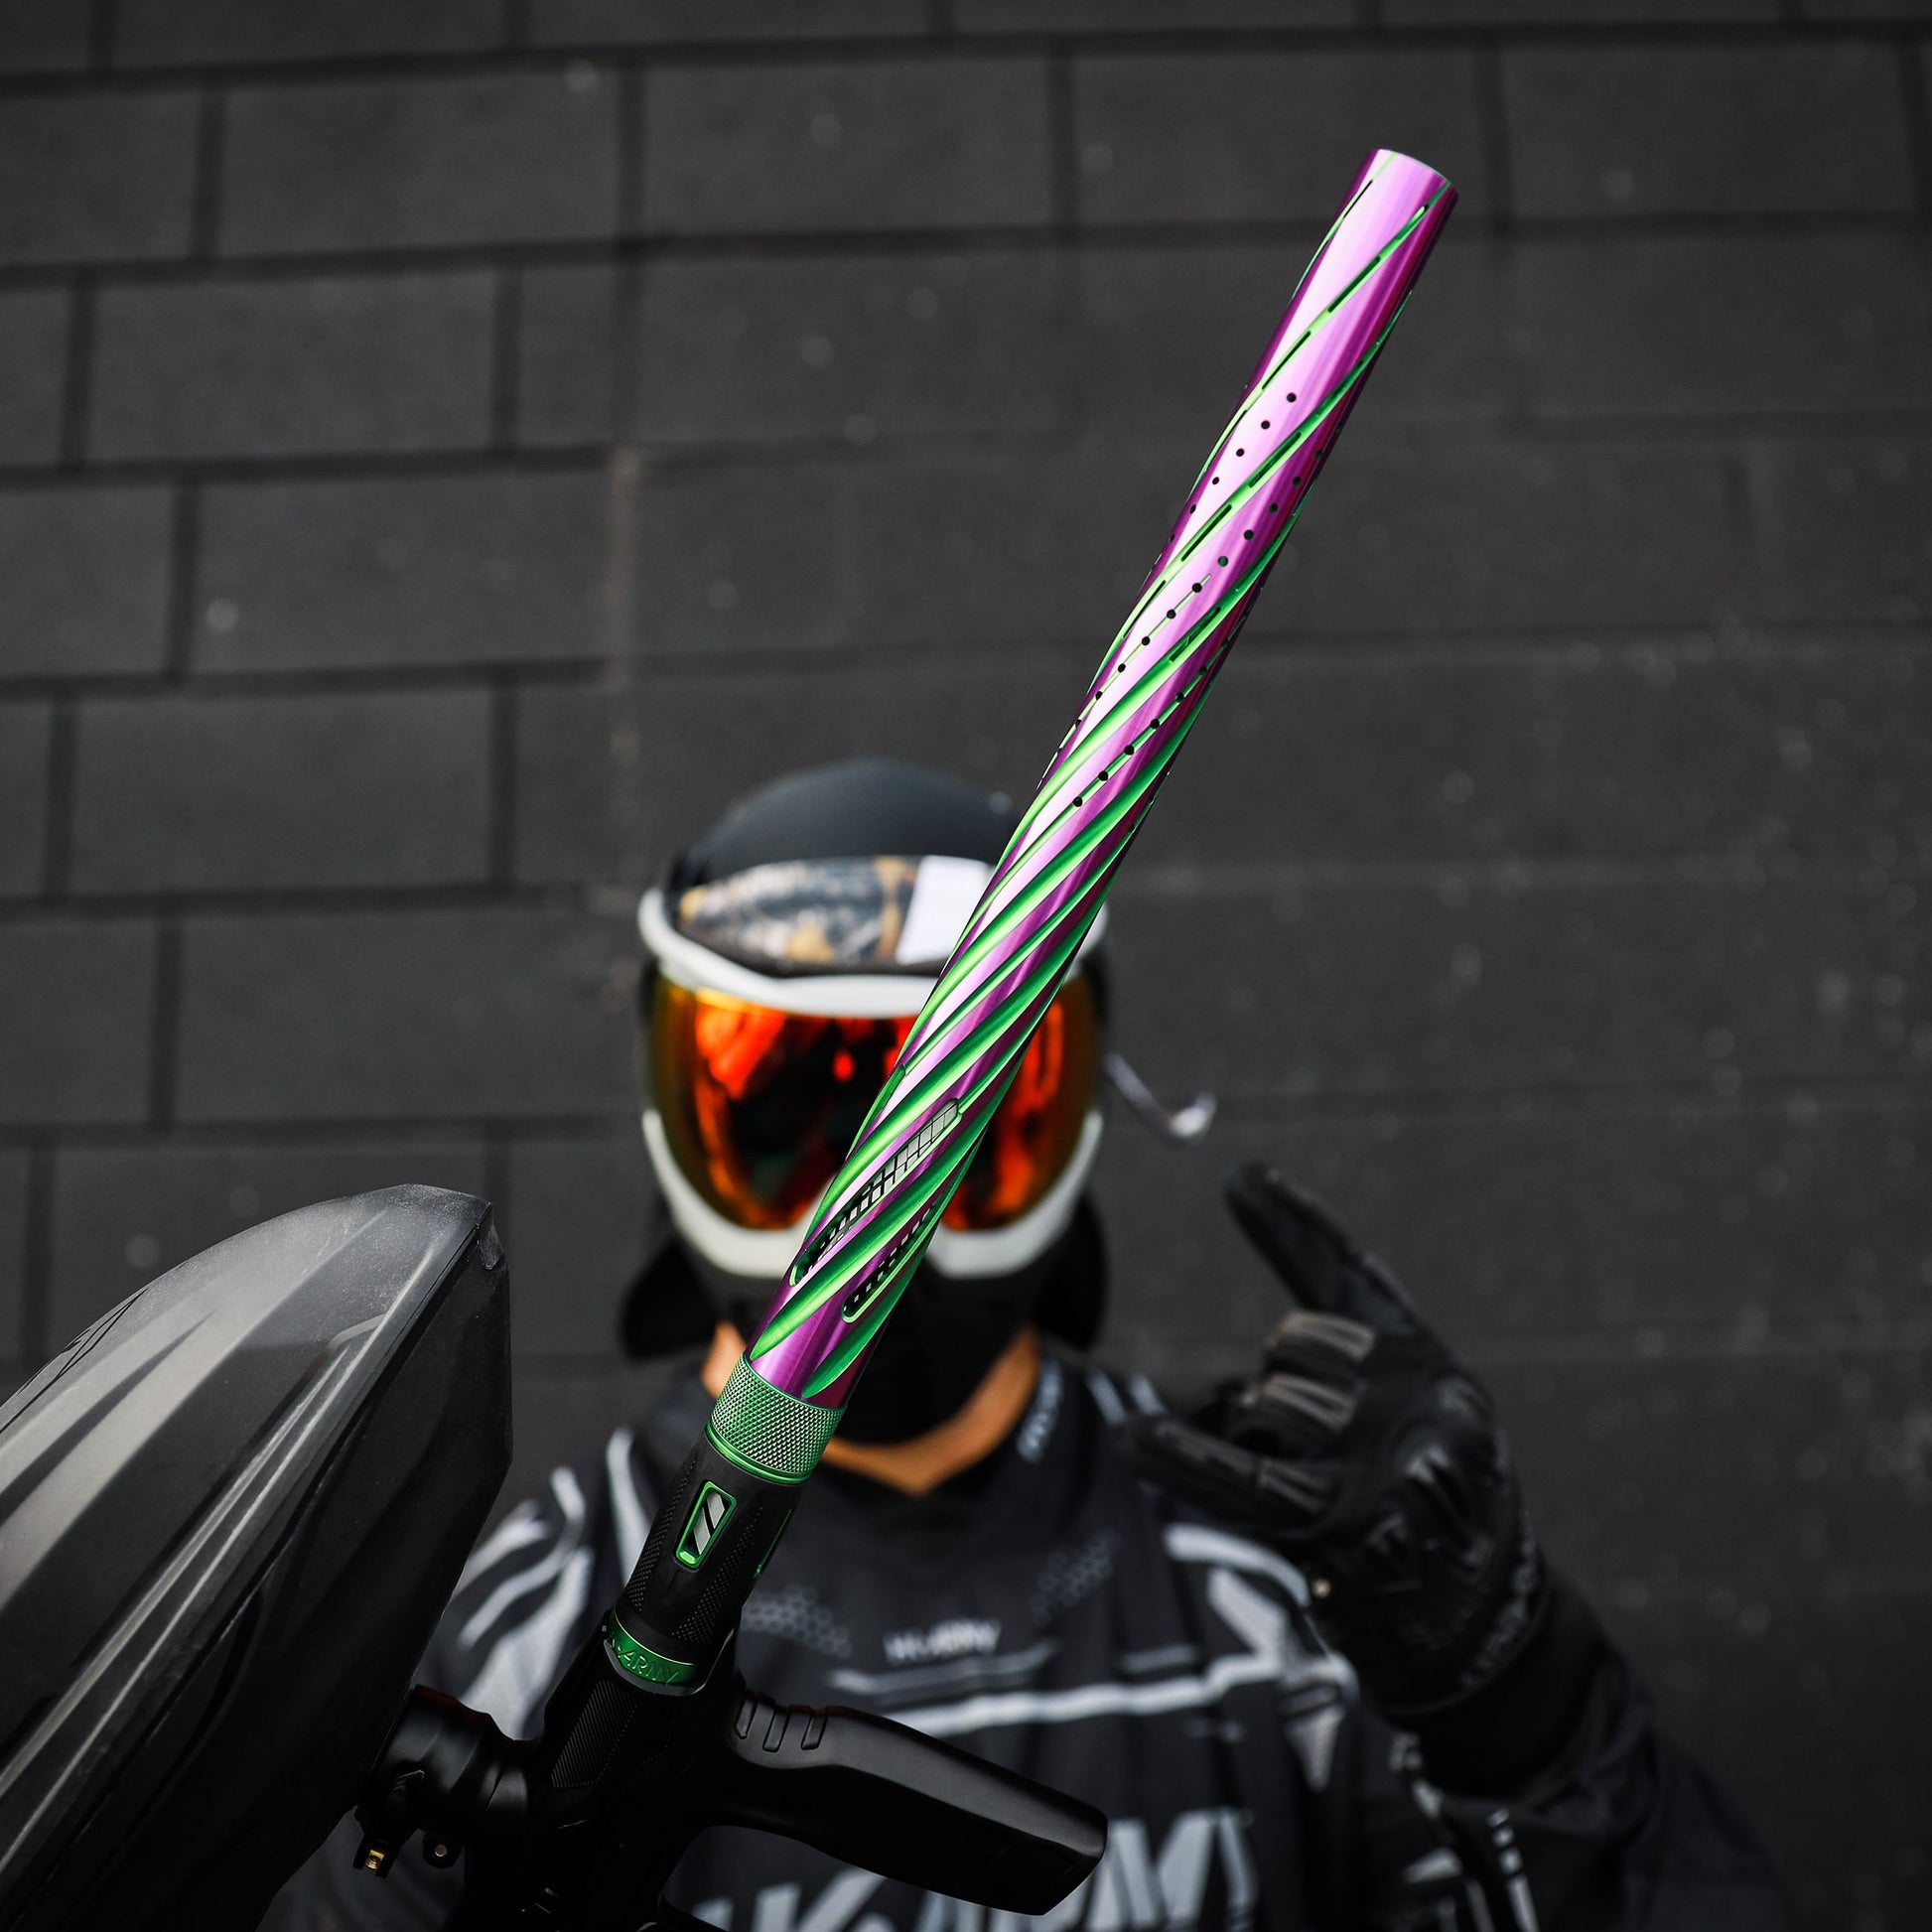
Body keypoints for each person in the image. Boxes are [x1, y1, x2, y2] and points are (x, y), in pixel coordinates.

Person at [290, 759, 1783, 1932]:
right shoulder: (533, 1626)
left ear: (1070, 1117)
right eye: (790, 1115)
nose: (872, 1216)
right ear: (674, 1125)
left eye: (962, 1123)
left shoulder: (1282, 1584)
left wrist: (1516, 1702)